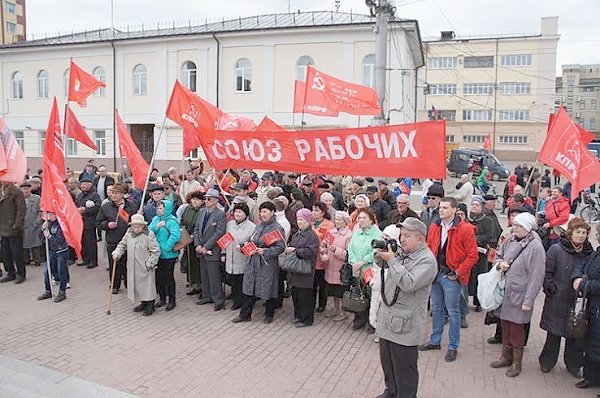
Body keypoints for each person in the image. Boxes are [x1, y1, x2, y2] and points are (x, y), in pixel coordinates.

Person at [374, 217, 437, 398]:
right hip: (389, 321)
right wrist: (383, 253)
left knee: (405, 373)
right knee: (388, 365)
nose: (402, 239)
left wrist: (393, 260)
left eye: (407, 236)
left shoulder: (427, 260)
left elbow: (409, 283)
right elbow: (382, 265)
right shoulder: (403, 252)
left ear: (420, 238)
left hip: (405, 327)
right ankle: (391, 392)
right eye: (401, 235)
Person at [419, 197, 478, 362]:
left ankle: (453, 346)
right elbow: (429, 248)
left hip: (451, 274)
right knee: (437, 308)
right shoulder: (435, 226)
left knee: (453, 311)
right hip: (436, 273)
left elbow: (472, 256)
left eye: (445, 207)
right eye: (440, 207)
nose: (441, 210)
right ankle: (435, 341)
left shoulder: (465, 229)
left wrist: (458, 272)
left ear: (454, 210)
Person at [490, 212, 545, 377]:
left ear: (527, 228)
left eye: (519, 226)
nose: (515, 228)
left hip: (521, 294)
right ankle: (505, 356)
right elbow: (497, 256)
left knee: (517, 328)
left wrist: (529, 300)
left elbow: (537, 276)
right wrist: (500, 265)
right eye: (514, 225)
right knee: (505, 324)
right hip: (505, 291)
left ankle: (517, 362)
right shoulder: (510, 239)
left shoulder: (535, 247)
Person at [539, 218, 592, 377]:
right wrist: (550, 287)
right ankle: (547, 361)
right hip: (557, 297)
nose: (581, 236)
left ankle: (573, 364)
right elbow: (546, 271)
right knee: (554, 333)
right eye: (578, 232)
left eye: (584, 232)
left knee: (575, 334)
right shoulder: (556, 249)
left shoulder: (589, 253)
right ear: (570, 232)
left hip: (578, 300)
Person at [232, 201, 286, 324]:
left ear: (272, 212)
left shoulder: (277, 228)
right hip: (253, 261)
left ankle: (269, 314)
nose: (262, 214)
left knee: (268, 288)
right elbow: (253, 241)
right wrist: (244, 246)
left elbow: (280, 247)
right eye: (261, 211)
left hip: (267, 263)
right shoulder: (258, 226)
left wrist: (266, 251)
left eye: (265, 211)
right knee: (249, 287)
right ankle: (245, 314)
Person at [112, 214, 161, 316]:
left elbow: (155, 251)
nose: (136, 229)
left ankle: (150, 305)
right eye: (134, 226)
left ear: (143, 226)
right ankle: (143, 303)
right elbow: (123, 244)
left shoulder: (149, 234)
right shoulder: (129, 233)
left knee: (147, 286)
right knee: (137, 286)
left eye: (138, 226)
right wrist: (117, 252)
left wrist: (150, 263)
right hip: (132, 265)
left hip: (145, 265)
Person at [572, 223, 600, 390]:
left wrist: (584, 285)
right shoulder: (596, 253)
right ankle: (591, 377)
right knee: (591, 341)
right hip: (593, 306)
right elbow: (583, 265)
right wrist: (577, 277)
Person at [96, 183, 137, 294]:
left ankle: (129, 284)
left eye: (116, 193)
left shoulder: (132, 205)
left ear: (123, 194)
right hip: (113, 240)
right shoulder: (106, 207)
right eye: (112, 193)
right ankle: (114, 285)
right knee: (114, 263)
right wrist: (107, 225)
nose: (114, 195)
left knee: (128, 264)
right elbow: (98, 222)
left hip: (128, 239)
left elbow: (136, 219)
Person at [348, 208, 382, 332]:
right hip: (356, 269)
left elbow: (376, 252)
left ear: (371, 220)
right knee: (358, 294)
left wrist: (363, 262)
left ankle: (370, 321)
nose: (361, 220)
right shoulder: (356, 231)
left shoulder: (377, 233)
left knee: (370, 295)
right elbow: (350, 247)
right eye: (359, 218)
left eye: (364, 218)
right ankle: (358, 320)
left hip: (370, 269)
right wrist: (354, 263)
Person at [194, 188, 227, 311]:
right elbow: (196, 229)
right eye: (205, 198)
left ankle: (218, 300)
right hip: (201, 249)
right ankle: (207, 296)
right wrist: (197, 244)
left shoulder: (220, 214)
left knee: (214, 276)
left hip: (212, 250)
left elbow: (219, 233)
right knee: (204, 275)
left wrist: (206, 246)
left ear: (215, 200)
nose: (206, 201)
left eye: (209, 199)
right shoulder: (201, 212)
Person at [287, 208, 320, 327]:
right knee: (296, 295)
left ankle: (306, 319)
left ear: (308, 220)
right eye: (297, 219)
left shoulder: (312, 236)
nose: (299, 222)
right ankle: (298, 316)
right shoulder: (297, 234)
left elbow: (310, 252)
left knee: (305, 296)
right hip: (295, 269)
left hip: (305, 270)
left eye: (301, 219)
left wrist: (295, 250)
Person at [149, 200, 181, 311]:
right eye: (158, 208)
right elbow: (149, 232)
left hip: (168, 255)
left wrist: (166, 247)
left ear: (166, 209)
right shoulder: (155, 219)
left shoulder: (172, 221)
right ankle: (162, 299)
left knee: (169, 278)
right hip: (157, 253)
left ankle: (172, 300)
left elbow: (175, 236)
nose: (159, 210)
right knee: (159, 278)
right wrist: (157, 226)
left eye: (161, 208)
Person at [322, 211, 353, 321]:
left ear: (345, 222)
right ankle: (336, 309)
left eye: (340, 220)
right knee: (333, 291)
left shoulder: (349, 235)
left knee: (341, 292)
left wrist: (335, 250)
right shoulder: (331, 232)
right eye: (336, 219)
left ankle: (344, 312)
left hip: (341, 269)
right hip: (330, 267)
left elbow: (348, 254)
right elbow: (324, 244)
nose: (337, 222)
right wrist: (324, 253)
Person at [467, 196, 496, 313]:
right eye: (473, 204)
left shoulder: (487, 220)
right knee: (468, 277)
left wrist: (475, 239)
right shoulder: (467, 219)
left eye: (477, 205)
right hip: (468, 252)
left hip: (481, 253)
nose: (474, 206)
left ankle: (478, 302)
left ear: (482, 206)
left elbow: (490, 236)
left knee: (479, 277)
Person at [224, 203, 255, 310]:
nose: (237, 214)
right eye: (236, 211)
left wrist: (243, 248)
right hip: (230, 257)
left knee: (240, 281)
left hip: (242, 259)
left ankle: (239, 301)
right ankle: (234, 296)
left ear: (246, 214)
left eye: (240, 212)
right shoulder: (230, 224)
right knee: (232, 280)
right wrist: (223, 253)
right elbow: (225, 239)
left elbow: (253, 245)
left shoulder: (252, 227)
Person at [37, 212, 70, 303]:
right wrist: (42, 228)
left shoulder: (61, 224)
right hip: (51, 251)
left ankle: (62, 292)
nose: (50, 216)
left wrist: (50, 236)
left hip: (61, 251)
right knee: (47, 272)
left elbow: (59, 241)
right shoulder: (48, 224)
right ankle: (48, 290)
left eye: (52, 214)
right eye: (48, 214)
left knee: (61, 272)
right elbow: (41, 238)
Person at [179, 191, 205, 295]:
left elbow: (201, 226)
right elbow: (183, 220)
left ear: (202, 201)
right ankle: (194, 283)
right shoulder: (188, 208)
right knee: (190, 263)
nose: (194, 201)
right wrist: (183, 230)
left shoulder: (203, 211)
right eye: (193, 199)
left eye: (197, 199)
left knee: (198, 264)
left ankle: (202, 285)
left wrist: (194, 235)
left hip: (198, 240)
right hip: (187, 238)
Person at [0, 181, 26, 283]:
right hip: (3, 226)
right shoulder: (1, 190)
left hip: (13, 226)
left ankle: (21, 273)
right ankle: (10, 273)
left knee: (17, 253)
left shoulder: (16, 192)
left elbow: (21, 210)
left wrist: (17, 224)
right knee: (6, 253)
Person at [312, 202, 334, 313]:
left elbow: (329, 241)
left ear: (323, 212)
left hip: (321, 259)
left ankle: (322, 304)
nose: (314, 213)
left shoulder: (329, 225)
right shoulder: (310, 223)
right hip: (310, 258)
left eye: (316, 210)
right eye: (313, 210)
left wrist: (323, 250)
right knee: (312, 284)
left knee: (322, 284)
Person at [75, 176, 102, 269]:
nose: (82, 186)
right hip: (80, 222)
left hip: (90, 222)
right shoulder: (80, 195)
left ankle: (93, 261)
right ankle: (85, 259)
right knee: (83, 242)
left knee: (91, 242)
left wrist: (86, 210)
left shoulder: (95, 195)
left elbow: (98, 208)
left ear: (90, 185)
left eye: (84, 184)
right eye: (81, 184)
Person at [21, 181, 44, 267]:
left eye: (27, 189)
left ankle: (37, 259)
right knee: (24, 244)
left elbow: (41, 211)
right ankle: (26, 259)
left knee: (35, 243)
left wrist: (38, 221)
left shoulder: (37, 198)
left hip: (34, 223)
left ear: (30, 189)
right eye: (23, 189)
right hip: (23, 224)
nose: (25, 191)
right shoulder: (19, 198)